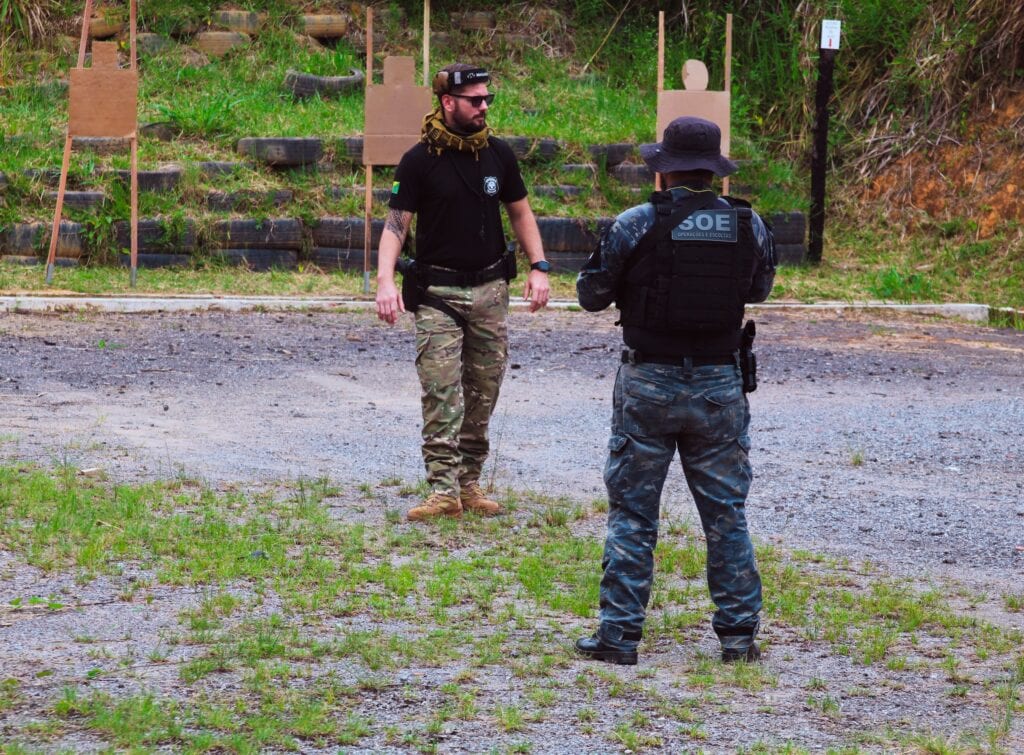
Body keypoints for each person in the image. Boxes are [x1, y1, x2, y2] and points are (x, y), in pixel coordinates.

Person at [574, 116, 776, 664]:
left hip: (648, 382)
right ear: (714, 172)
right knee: (726, 512)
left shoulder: (636, 222)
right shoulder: (748, 223)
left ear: (662, 171)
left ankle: (619, 637)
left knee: (634, 514)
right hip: (719, 382)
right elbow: (759, 288)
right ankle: (738, 636)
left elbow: (591, 294)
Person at [375, 62, 550, 522]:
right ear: (448, 102)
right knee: (440, 390)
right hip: (437, 293)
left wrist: (540, 267)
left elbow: (521, 214)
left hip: (491, 290)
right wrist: (384, 280)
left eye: (488, 98)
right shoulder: (418, 160)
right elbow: (397, 225)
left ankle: (469, 482)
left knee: (484, 389)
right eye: (475, 100)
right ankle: (442, 489)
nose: (484, 106)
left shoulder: (498, 154)